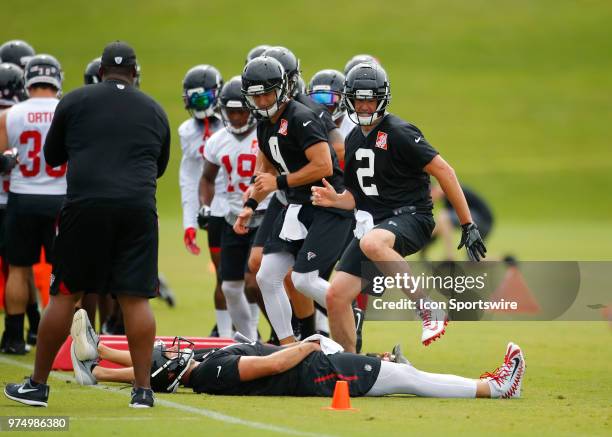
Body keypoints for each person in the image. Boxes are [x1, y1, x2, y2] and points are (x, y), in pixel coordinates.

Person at [3, 41, 170, 409]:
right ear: (134, 73)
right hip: (138, 207)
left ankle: (37, 385)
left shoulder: (76, 101)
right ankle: (143, 391)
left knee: (65, 293)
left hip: (86, 204)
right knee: (135, 297)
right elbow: (159, 165)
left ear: (101, 71)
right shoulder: (154, 108)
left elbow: (53, 155)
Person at [312, 62, 487, 353]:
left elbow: (445, 172)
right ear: (349, 99)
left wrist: (468, 224)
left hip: (412, 217)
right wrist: (336, 200)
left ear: (382, 98)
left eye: (370, 98)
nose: (365, 106)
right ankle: (351, 368)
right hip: (377, 228)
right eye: (359, 99)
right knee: (336, 296)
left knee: (371, 242)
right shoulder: (354, 138)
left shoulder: (400, 131)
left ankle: (428, 308)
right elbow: (360, 196)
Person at [68, 309, 526, 400]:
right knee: (411, 380)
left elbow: (168, 366)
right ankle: (494, 387)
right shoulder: (216, 373)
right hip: (320, 374)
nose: (183, 356)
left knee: (400, 375)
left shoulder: (199, 371)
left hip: (316, 368)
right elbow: (271, 364)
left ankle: (96, 362)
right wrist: (311, 340)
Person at [235, 56, 353, 345]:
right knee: (267, 276)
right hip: (296, 205)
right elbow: (266, 170)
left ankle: (349, 310)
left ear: (283, 89)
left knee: (302, 279)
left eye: (268, 93)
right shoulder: (264, 123)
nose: (263, 101)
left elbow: (325, 165)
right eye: (256, 95)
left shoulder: (302, 117)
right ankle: (289, 347)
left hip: (324, 204)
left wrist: (279, 182)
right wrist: (249, 207)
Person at [0, 55, 66, 355]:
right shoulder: (67, 109)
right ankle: (62, 338)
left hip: (22, 196)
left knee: (17, 268)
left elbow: (2, 163)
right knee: (65, 271)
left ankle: (14, 337)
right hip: (60, 198)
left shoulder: (10, 114)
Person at [201, 76, 272, 340]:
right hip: (234, 217)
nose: (237, 117)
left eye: (242, 111)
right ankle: (249, 340)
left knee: (255, 281)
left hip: (264, 213)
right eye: (231, 112)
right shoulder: (217, 140)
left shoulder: (265, 133)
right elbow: (207, 178)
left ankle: (284, 332)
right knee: (230, 286)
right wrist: (205, 206)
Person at [178, 64, 231, 338]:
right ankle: (225, 336)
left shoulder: (237, 119)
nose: (200, 104)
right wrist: (190, 221)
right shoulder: (188, 131)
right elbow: (189, 179)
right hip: (214, 208)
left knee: (253, 279)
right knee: (224, 277)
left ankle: (254, 331)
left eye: (205, 98)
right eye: (196, 98)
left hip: (245, 204)